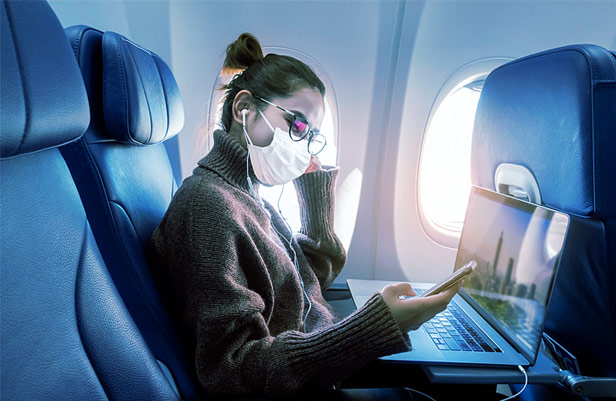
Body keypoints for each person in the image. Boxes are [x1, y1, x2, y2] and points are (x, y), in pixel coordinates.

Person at [148, 33, 462, 397]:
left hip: (315, 367)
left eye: (310, 134)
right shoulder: (208, 207)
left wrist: (314, 190)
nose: (301, 142)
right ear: (243, 108)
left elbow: (303, 279)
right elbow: (231, 370)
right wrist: (372, 327)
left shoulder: (249, 196)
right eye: (296, 124)